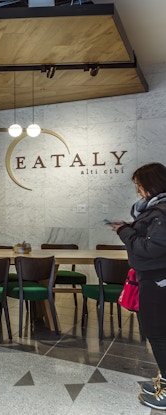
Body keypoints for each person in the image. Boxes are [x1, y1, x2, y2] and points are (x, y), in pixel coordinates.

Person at [107, 162, 166, 410]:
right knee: (157, 331)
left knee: (157, 332)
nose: (138, 191)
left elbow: (150, 247)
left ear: (152, 185)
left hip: (157, 278)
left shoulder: (162, 212)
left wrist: (123, 231)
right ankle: (163, 380)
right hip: (153, 276)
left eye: (139, 186)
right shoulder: (155, 210)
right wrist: (130, 228)